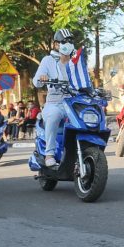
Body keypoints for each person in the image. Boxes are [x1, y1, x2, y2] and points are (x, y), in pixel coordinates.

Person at [33, 29, 81, 167]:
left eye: (71, 41)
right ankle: (49, 154)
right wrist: (42, 78)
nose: (68, 44)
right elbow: (36, 82)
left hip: (74, 103)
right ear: (56, 45)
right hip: (55, 103)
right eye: (64, 41)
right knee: (53, 115)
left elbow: (84, 81)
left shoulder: (76, 62)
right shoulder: (48, 61)